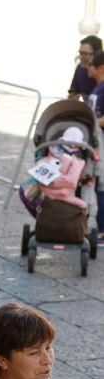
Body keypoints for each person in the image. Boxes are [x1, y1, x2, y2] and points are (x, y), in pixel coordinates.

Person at [89, 51, 104, 242]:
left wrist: (92, 122)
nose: (87, 67)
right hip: (97, 142)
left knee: (102, 186)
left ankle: (103, 230)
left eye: (92, 64)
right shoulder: (98, 88)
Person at [69, 36, 101, 102]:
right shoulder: (80, 68)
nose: (81, 57)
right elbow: (73, 90)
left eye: (84, 54)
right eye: (80, 53)